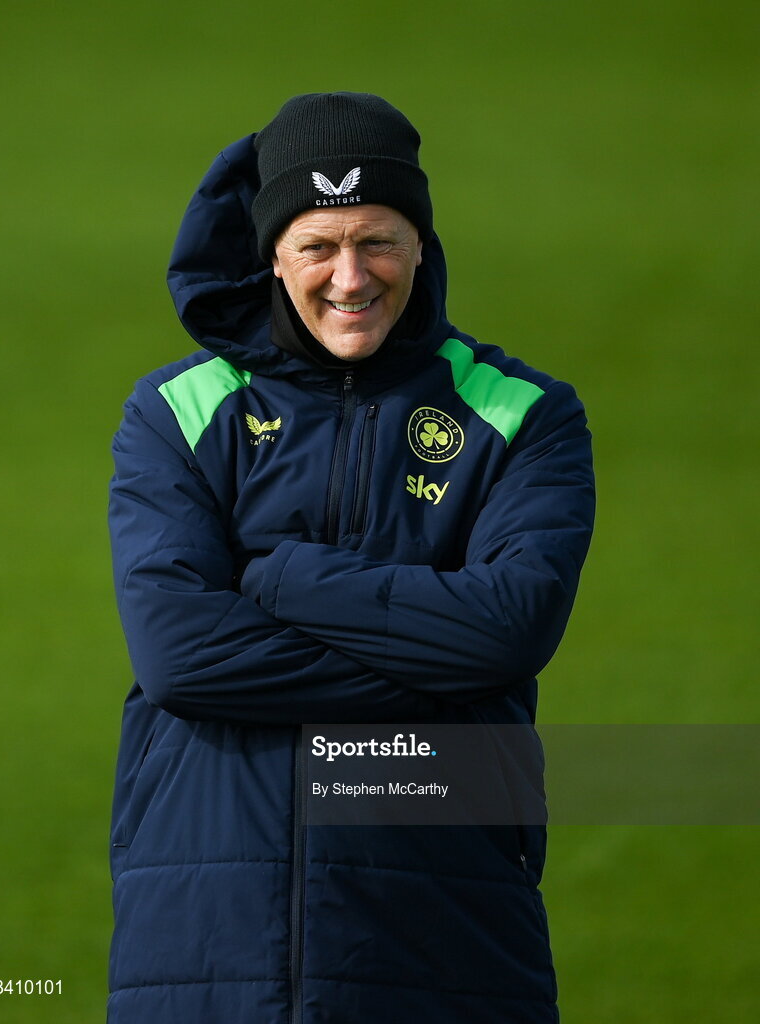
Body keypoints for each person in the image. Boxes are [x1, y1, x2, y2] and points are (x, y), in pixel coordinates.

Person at [107, 92, 595, 1023]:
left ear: (422, 244)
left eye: (378, 240)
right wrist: (438, 664)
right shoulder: (174, 410)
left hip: (443, 926)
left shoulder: (523, 415)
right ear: (272, 255)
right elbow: (179, 654)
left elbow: (508, 632)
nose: (349, 277)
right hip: (206, 931)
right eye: (317, 246)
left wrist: (283, 578)